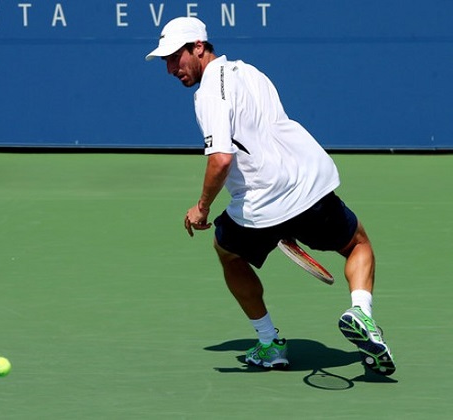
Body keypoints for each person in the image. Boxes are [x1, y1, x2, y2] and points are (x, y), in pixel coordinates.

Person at [145, 17, 396, 375]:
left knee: (228, 254)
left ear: (198, 47)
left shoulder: (207, 95)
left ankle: (269, 343)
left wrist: (202, 209)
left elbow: (220, 160)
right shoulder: (251, 72)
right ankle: (362, 313)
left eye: (175, 58)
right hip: (308, 186)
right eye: (166, 61)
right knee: (358, 245)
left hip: (260, 205)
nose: (170, 68)